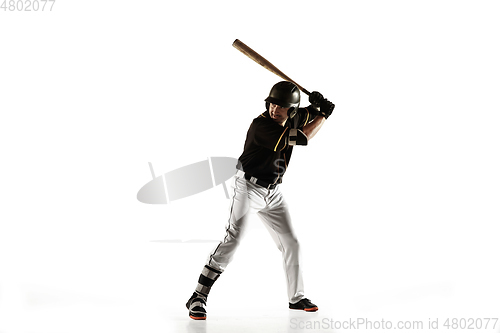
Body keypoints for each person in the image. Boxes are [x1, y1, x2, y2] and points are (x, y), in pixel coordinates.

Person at [186, 81, 335, 320]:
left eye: (282, 106)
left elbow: (311, 115)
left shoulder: (294, 116)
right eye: (273, 103)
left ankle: (296, 298)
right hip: (248, 188)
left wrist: (318, 105)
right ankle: (198, 296)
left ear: (292, 110)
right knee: (233, 240)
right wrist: (325, 115)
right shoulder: (262, 125)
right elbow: (303, 138)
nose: (275, 109)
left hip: (273, 193)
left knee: (292, 243)